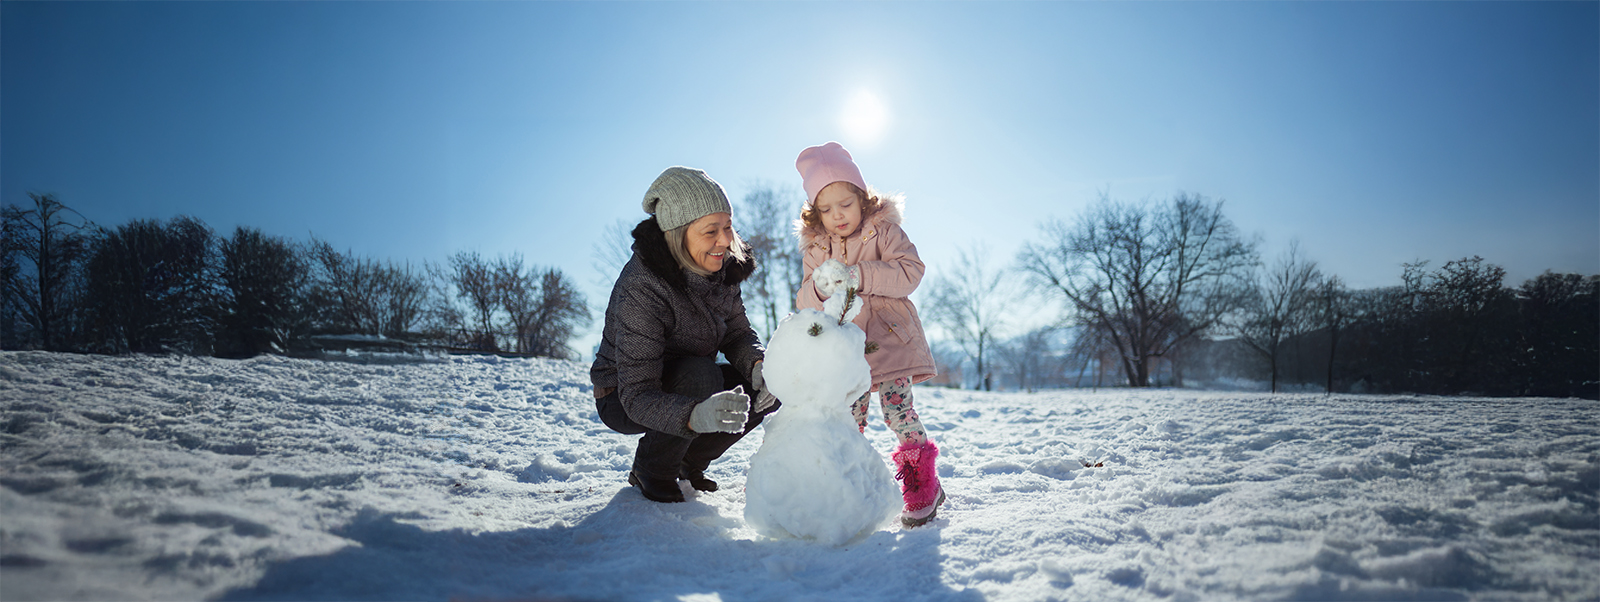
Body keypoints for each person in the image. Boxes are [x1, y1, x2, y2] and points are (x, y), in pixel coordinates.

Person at [592, 166, 780, 503]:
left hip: (689, 379)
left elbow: (737, 334)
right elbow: (637, 395)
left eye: (727, 227)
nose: (724, 241)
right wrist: (694, 417)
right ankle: (653, 468)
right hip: (622, 394)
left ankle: (687, 464)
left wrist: (758, 366)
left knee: (776, 379)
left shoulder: (722, 268)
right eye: (711, 232)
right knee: (700, 375)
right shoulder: (642, 286)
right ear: (677, 235)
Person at [793, 142, 944, 527]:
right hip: (848, 350)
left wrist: (860, 276)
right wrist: (823, 288)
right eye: (825, 209)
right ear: (815, 213)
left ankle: (921, 482)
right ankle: (851, 487)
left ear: (862, 198)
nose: (837, 215)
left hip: (890, 338)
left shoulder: (884, 231)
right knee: (849, 419)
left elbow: (910, 271)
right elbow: (805, 297)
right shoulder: (817, 248)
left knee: (897, 410)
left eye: (844, 203)